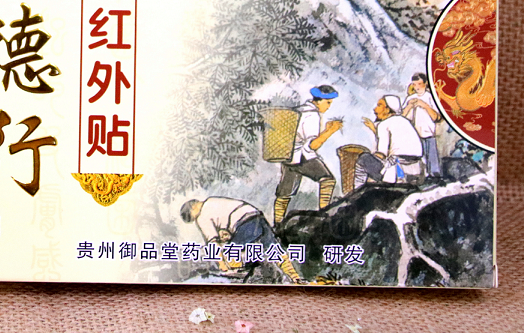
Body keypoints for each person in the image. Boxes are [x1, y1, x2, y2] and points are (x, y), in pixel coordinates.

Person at [180, 196, 303, 283]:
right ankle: (295, 277)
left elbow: (213, 244)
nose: (195, 221)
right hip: (257, 216)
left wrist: (222, 266)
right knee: (274, 250)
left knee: (230, 255)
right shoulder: (213, 201)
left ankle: (239, 277)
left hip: (245, 223)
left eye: (192, 218)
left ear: (193, 209)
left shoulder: (202, 215)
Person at [273, 85, 343, 225]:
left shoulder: (299, 110)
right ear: (319, 100)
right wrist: (330, 131)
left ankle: (277, 224)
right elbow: (312, 145)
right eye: (328, 102)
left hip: (287, 156)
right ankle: (324, 216)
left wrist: (326, 129)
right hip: (302, 157)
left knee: (284, 193)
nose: (328, 106)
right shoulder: (312, 114)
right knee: (327, 180)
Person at [356, 95, 424, 187]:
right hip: (417, 170)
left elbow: (382, 154)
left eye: (379, 105)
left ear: (387, 110)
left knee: (364, 158)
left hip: (397, 172)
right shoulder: (404, 121)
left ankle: (357, 189)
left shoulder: (383, 124)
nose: (375, 109)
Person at [402, 73, 442, 179]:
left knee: (431, 156)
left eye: (419, 84)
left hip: (429, 132)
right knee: (420, 158)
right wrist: (409, 106)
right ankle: (423, 176)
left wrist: (424, 106)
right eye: (414, 84)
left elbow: (436, 117)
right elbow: (402, 118)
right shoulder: (410, 98)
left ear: (425, 83)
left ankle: (435, 176)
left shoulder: (430, 97)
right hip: (415, 134)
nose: (417, 87)